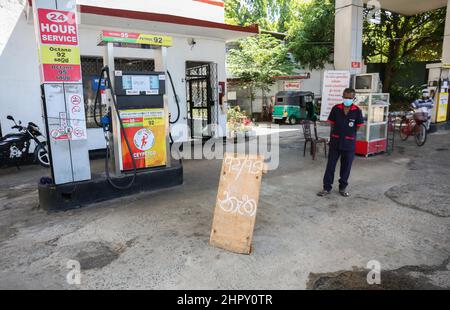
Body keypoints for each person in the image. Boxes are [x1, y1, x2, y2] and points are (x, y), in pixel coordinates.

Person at [317, 88, 364, 197]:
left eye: (349, 98)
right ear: (342, 97)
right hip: (335, 142)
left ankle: (342, 188)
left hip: (349, 144)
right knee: (330, 166)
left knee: (346, 167)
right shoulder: (336, 108)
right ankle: (326, 188)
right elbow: (332, 125)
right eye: (345, 97)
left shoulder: (357, 111)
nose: (347, 99)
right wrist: (332, 138)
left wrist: (348, 134)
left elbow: (357, 127)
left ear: (354, 98)